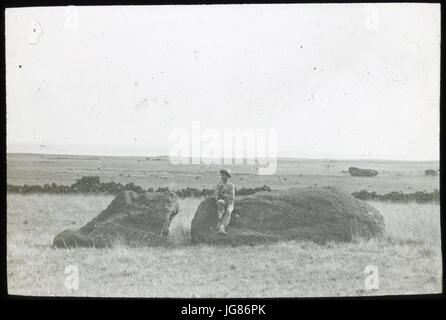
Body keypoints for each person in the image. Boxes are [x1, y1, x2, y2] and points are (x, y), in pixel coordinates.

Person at [215, 168, 235, 235]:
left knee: (229, 211)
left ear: (228, 177)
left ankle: (222, 227)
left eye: (224, 175)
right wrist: (221, 195)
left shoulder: (231, 185)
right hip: (221, 201)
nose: (222, 177)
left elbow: (232, 196)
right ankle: (219, 220)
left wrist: (223, 194)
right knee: (220, 203)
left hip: (229, 202)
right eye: (222, 175)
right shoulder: (219, 185)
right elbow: (216, 195)